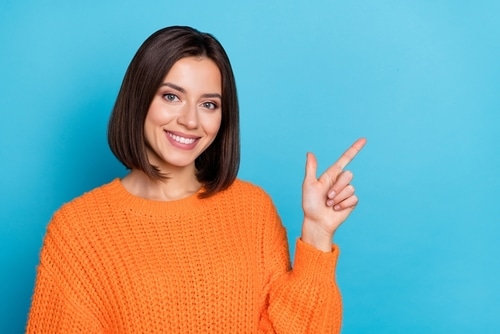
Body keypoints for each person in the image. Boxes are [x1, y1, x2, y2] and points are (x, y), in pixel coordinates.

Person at [26, 26, 366, 333]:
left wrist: (318, 233)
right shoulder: (78, 230)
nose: (190, 120)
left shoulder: (252, 209)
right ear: (139, 99)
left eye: (208, 104)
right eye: (171, 96)